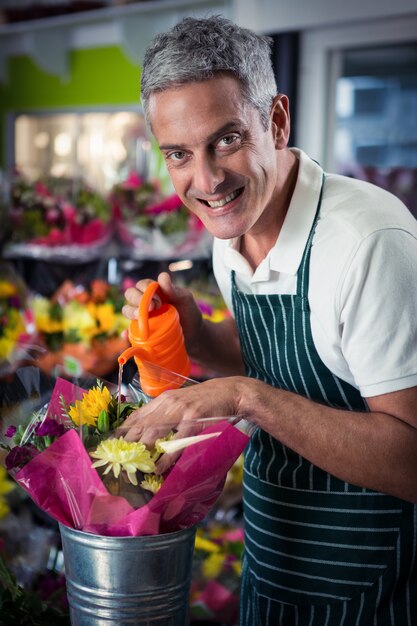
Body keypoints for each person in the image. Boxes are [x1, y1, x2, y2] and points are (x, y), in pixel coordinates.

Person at [121, 15, 417, 625]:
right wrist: (198, 338)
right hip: (276, 568)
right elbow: (285, 356)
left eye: (226, 140)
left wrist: (245, 399)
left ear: (275, 121)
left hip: (375, 591)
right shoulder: (228, 233)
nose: (205, 181)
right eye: (179, 154)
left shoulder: (367, 241)